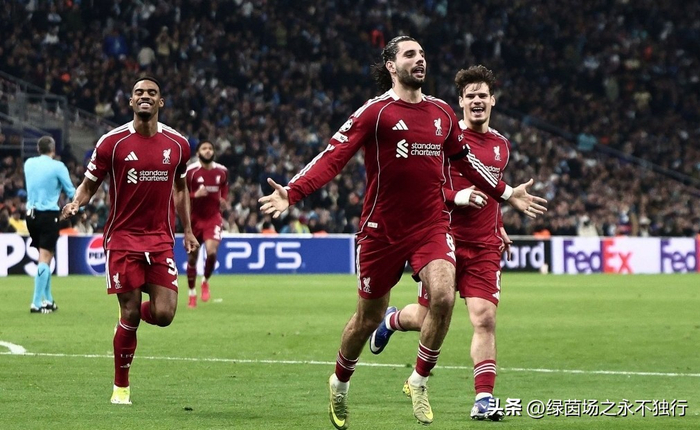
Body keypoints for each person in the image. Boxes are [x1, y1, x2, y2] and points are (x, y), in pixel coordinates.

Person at [259, 36, 547, 429]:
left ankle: (419, 381)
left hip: (431, 226)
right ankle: (340, 382)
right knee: (367, 318)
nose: (420, 59)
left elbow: (467, 164)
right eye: (410, 54)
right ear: (391, 66)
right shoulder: (375, 113)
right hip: (381, 231)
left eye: (423, 54)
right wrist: (292, 192)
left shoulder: (442, 113)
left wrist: (507, 194)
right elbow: (333, 157)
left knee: (443, 296)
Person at [368, 65, 518, 421]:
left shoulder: (501, 146)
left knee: (484, 318)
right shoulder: (444, 139)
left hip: (483, 246)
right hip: (442, 239)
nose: (477, 101)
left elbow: (492, 191)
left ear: (493, 101)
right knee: (427, 317)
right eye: (471, 96)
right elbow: (425, 188)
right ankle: (391, 320)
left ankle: (483, 399)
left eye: (483, 95)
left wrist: (498, 225)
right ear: (460, 102)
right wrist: (456, 197)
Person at [62, 77, 198, 405]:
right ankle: (120, 387)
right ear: (131, 102)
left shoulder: (178, 144)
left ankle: (127, 322)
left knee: (164, 314)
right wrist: (77, 202)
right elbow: (89, 184)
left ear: (160, 102)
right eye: (139, 93)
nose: (145, 96)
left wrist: (189, 230)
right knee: (131, 311)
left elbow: (181, 189)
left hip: (161, 240)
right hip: (122, 239)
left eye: (151, 93)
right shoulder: (112, 143)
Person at [24, 135, 76, 314]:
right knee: (45, 258)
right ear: (53, 149)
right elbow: (70, 190)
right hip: (48, 216)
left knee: (46, 257)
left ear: (38, 149)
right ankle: (36, 303)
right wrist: (80, 207)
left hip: (30, 216)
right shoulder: (58, 167)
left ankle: (48, 299)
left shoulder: (28, 164)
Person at [185, 140, 228, 308]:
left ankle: (205, 281)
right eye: (204, 148)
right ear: (198, 153)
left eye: (210, 148)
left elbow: (224, 188)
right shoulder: (191, 172)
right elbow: (180, 194)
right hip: (194, 220)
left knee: (211, 252)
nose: (208, 151)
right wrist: (195, 195)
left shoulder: (222, 171)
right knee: (192, 258)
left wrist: (223, 199)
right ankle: (191, 293)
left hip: (213, 218)